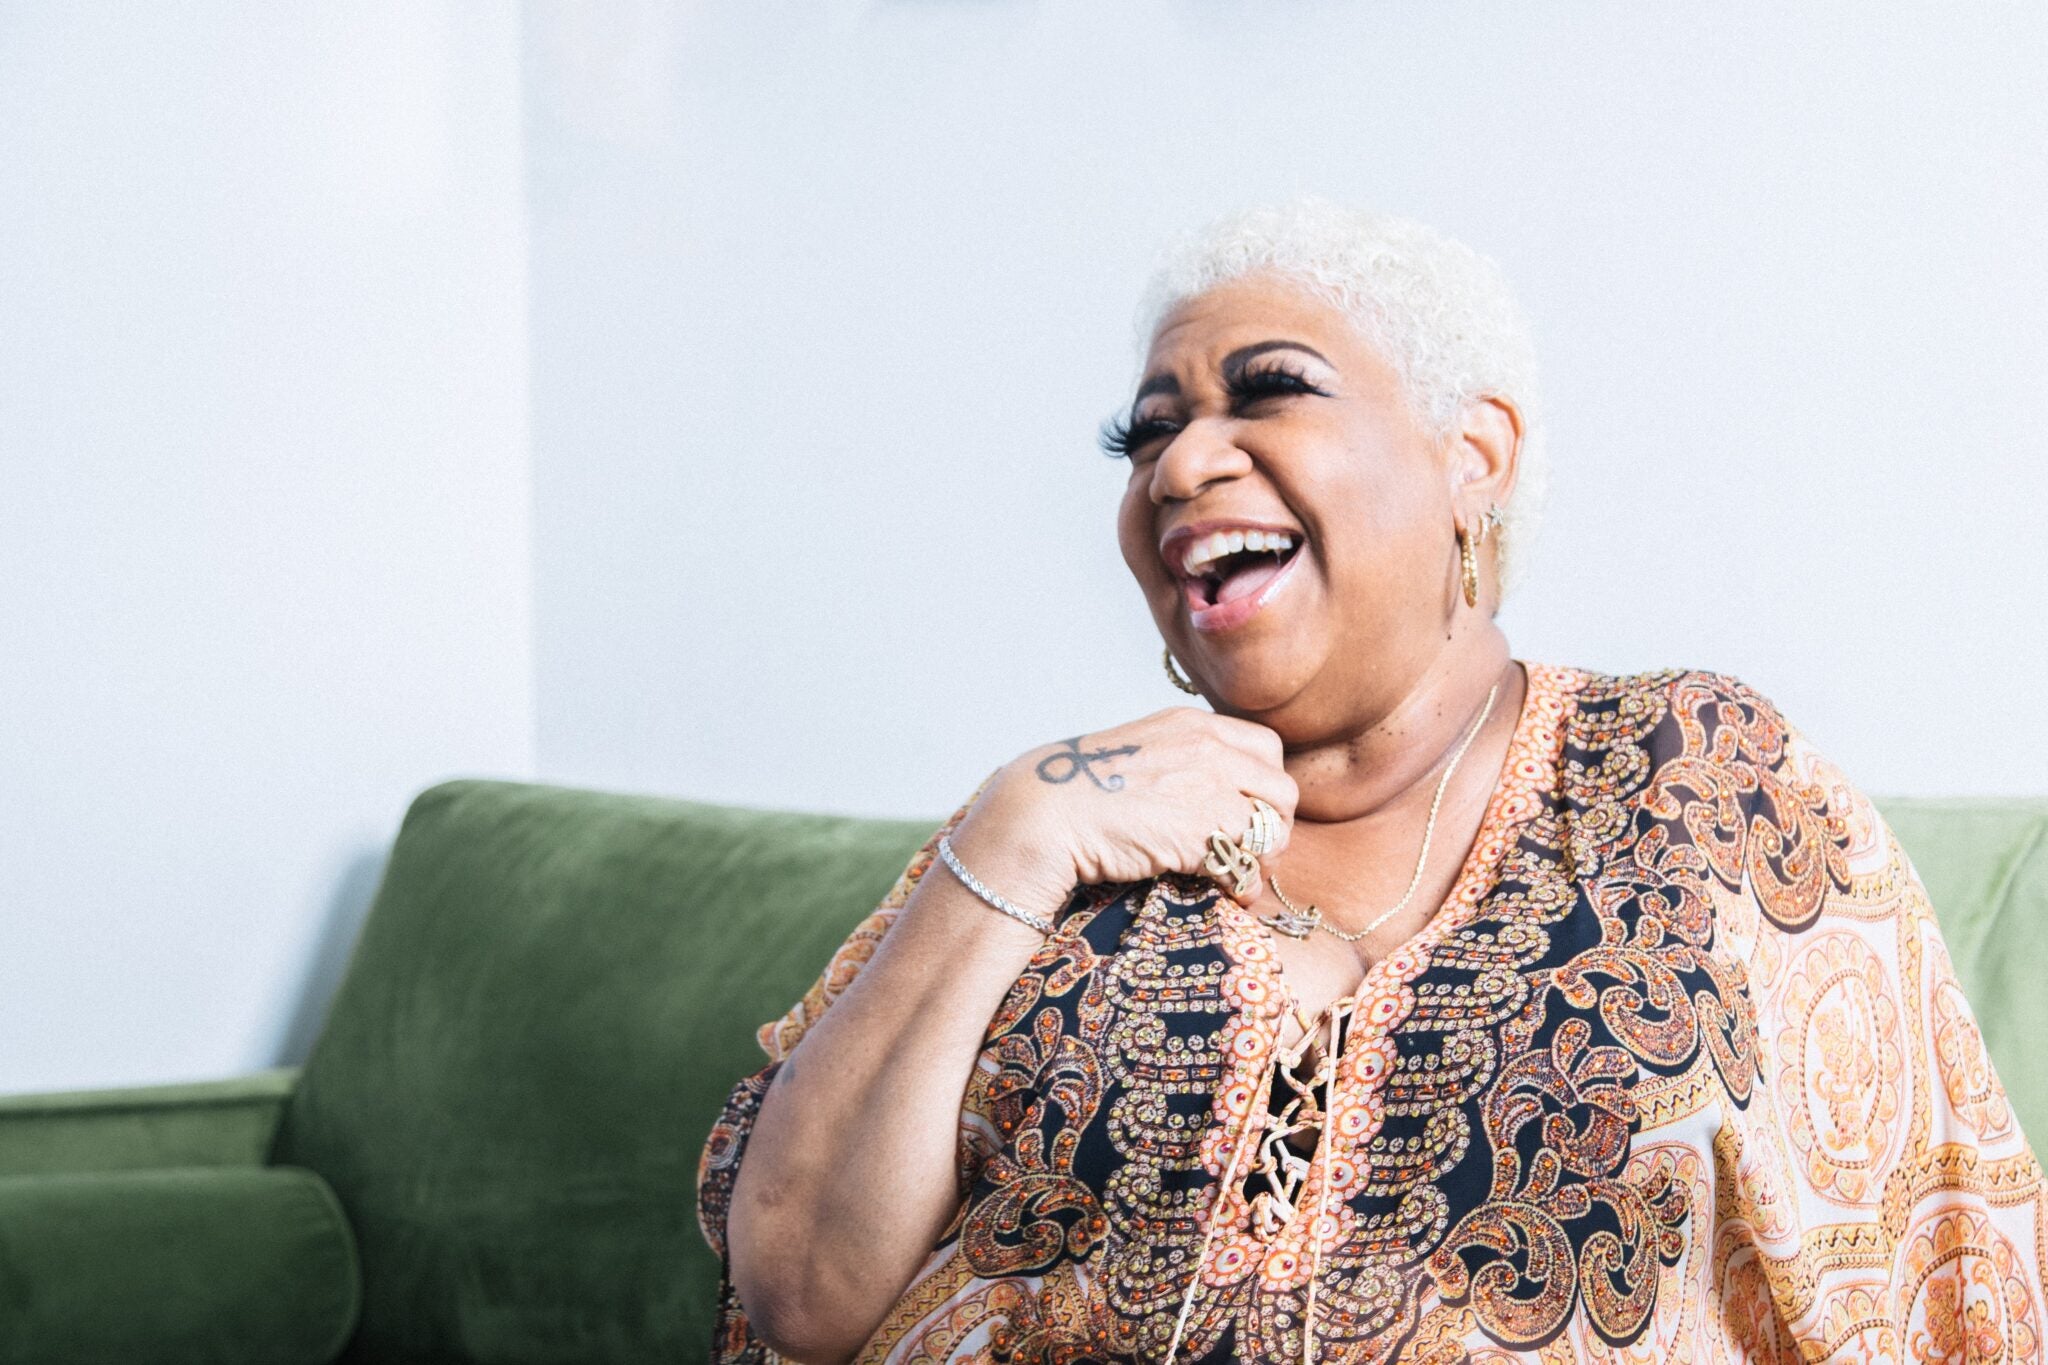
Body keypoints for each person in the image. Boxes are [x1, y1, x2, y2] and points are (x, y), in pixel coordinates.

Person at [695, 196, 2046, 1364]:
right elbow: (799, 1291)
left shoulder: (1689, 773)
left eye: (1269, 391)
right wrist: (1017, 830)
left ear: (1474, 457)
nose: (1181, 464)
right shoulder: (1061, 824)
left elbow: (1947, 1280)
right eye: (1147, 433)